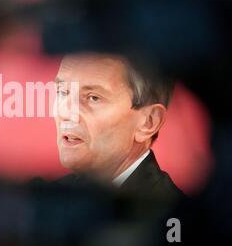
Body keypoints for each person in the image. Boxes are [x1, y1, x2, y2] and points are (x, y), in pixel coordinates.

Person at [54, 52, 184, 201]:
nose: (65, 113)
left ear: (148, 122)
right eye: (62, 92)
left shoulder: (173, 217)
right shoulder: (50, 200)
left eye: (93, 98)